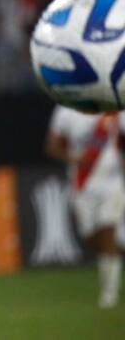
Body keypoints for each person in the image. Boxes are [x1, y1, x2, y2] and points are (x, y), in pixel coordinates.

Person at [45, 106, 125, 308]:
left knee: (108, 231)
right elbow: (52, 145)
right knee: (91, 236)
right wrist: (73, 158)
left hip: (112, 182)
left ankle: (110, 293)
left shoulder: (114, 106)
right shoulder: (65, 109)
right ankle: (113, 259)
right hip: (82, 183)